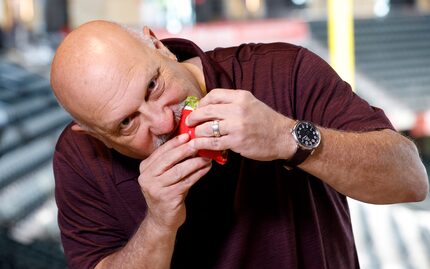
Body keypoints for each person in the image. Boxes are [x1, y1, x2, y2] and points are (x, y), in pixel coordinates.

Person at [50, 20, 428, 269]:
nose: (162, 122)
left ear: (159, 46)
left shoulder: (283, 71)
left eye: (153, 86)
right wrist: (158, 225)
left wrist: (287, 137)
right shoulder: (78, 156)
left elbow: (410, 179)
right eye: (127, 123)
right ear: (93, 133)